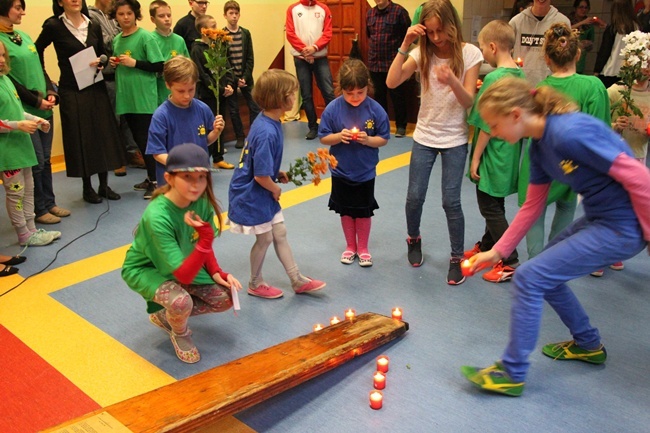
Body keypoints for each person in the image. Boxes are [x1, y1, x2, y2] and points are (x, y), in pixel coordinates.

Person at [460, 76, 650, 397]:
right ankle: (588, 344)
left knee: (530, 277)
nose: (492, 134)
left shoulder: (569, 132)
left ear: (516, 115)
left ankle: (512, 372)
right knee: (544, 272)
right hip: (600, 217)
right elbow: (532, 205)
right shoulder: (539, 148)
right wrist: (497, 252)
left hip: (623, 225)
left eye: (494, 125)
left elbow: (638, 176)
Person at [386, 0, 482, 284]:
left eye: (441, 30)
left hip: (454, 138)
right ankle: (413, 239)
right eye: (430, 32)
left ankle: (456, 257)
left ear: (453, 25)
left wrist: (453, 80)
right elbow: (392, 82)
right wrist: (406, 42)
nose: (437, 37)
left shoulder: (470, 53)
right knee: (414, 196)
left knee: (451, 201)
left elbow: (469, 101)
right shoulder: (421, 52)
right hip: (425, 136)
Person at [122, 142, 241, 364]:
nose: (196, 185)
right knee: (180, 302)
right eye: (187, 177)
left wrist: (217, 272)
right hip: (147, 269)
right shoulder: (157, 216)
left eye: (201, 177)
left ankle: (166, 315)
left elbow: (202, 246)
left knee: (225, 298)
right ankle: (180, 333)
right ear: (169, 178)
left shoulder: (200, 201)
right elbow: (184, 274)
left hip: (183, 263)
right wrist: (205, 239)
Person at [228, 69, 326, 299]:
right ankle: (255, 282)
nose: (294, 98)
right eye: (291, 94)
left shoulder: (268, 121)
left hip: (260, 186)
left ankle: (297, 279)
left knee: (279, 231)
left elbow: (260, 165)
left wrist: (275, 172)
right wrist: (274, 186)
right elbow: (259, 177)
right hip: (252, 192)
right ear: (279, 98)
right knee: (265, 238)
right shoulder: (266, 132)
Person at [520, 23, 611, 263]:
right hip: (573, 164)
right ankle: (553, 262)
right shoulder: (593, 86)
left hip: (539, 161)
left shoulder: (540, 89)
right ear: (578, 54)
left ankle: (534, 263)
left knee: (533, 213)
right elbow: (601, 131)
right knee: (566, 206)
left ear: (546, 59)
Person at [35, 0, 125, 204]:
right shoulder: (54, 26)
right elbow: (36, 51)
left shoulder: (92, 23)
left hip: (95, 86)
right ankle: (87, 188)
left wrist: (102, 62)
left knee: (102, 134)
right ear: (60, 2)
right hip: (72, 90)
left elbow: (103, 52)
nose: (75, 0)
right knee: (81, 136)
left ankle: (104, 185)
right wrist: (46, 81)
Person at [464, 20, 524, 283]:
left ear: (492, 47)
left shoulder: (494, 78)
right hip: (510, 152)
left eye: (482, 49)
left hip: (493, 152)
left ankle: (509, 259)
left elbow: (486, 122)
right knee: (495, 203)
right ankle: (488, 246)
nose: (483, 54)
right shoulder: (520, 75)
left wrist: (475, 158)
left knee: (489, 206)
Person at [0, 0, 70, 225]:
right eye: (18, 7)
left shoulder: (24, 36)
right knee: (36, 163)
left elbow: (39, 65)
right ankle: (39, 210)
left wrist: (50, 91)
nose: (22, 12)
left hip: (43, 109)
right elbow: (9, 79)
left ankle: (49, 202)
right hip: (24, 112)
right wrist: (35, 101)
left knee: (46, 161)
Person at [318, 59, 390, 267]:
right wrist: (339, 136)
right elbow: (324, 137)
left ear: (368, 86)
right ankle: (350, 246)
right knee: (346, 210)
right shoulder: (333, 108)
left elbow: (383, 139)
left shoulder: (376, 110)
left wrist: (368, 140)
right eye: (350, 94)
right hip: (341, 171)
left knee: (363, 210)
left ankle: (364, 248)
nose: (355, 98)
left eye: (361, 92)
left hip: (365, 171)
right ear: (341, 89)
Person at [0, 40, 58, 247]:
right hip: (8, 153)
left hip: (22, 148)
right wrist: (18, 125)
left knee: (28, 189)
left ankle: (32, 228)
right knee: (15, 192)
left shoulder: (5, 79)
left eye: (2, 55)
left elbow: (15, 110)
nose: (1, 60)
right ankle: (23, 233)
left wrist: (35, 119)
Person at [110, 0, 165, 200]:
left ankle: (157, 182)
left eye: (129, 13)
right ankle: (150, 177)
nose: (125, 17)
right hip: (127, 99)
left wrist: (134, 63)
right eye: (121, 14)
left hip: (143, 99)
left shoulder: (146, 37)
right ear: (115, 17)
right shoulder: (116, 40)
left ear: (136, 15)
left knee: (148, 142)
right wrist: (114, 63)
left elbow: (159, 65)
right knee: (139, 142)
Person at [147, 55, 224, 186]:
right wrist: (183, 164)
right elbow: (157, 153)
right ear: (168, 85)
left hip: (199, 178)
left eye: (191, 89)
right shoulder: (161, 116)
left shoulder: (203, 109)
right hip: (172, 181)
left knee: (199, 205)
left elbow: (204, 141)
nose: (187, 95)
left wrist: (216, 132)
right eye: (180, 91)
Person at [88, 0, 145, 177]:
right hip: (104, 76)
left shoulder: (119, 16)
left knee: (128, 118)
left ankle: (132, 151)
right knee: (113, 119)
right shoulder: (91, 16)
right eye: (121, 14)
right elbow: (103, 43)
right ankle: (116, 158)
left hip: (124, 73)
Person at [285, 0, 335, 140]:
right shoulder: (292, 9)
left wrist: (314, 48)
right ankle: (313, 127)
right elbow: (290, 33)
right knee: (306, 95)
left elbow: (328, 33)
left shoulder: (324, 9)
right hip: (301, 59)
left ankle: (334, 124)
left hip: (320, 58)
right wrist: (304, 51)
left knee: (328, 91)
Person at [190, 14, 234, 169]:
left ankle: (218, 157)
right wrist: (220, 90)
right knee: (209, 127)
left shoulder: (218, 46)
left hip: (222, 93)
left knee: (220, 124)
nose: (217, 29)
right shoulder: (197, 49)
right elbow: (203, 74)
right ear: (204, 30)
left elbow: (226, 66)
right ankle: (204, 159)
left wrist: (228, 84)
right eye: (213, 26)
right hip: (208, 95)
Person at [366, 0, 410, 138]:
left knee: (398, 96)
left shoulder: (399, 12)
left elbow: (407, 37)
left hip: (393, 64)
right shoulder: (370, 13)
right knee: (379, 97)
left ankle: (401, 126)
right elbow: (369, 35)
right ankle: (381, 126)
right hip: (375, 63)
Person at [222, 0, 260, 149]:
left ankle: (253, 135)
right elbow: (224, 61)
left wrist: (245, 77)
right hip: (231, 79)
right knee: (233, 109)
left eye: (236, 13)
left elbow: (250, 57)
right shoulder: (222, 35)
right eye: (231, 13)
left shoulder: (245, 33)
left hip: (246, 77)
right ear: (225, 15)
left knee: (255, 106)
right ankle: (240, 136)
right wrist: (236, 79)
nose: (234, 16)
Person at [509, 0, 570, 85]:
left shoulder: (562, 22)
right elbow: (506, 55)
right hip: (521, 87)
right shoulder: (516, 22)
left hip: (551, 86)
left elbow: (566, 58)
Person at [149, 0, 189, 105]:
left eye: (169, 15)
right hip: (159, 92)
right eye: (161, 16)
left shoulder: (179, 40)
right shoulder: (150, 39)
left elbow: (187, 64)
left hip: (180, 92)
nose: (166, 19)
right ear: (153, 19)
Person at [594, 0, 639, 89]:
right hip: (628, 72)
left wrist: (596, 71)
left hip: (610, 71)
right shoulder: (636, 27)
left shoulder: (613, 29)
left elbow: (605, 51)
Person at [568, 0, 598, 75]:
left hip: (580, 58)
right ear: (575, 8)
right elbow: (565, 30)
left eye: (586, 8)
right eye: (581, 7)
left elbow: (591, 43)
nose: (583, 10)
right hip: (567, 56)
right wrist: (582, 22)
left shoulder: (589, 25)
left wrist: (587, 44)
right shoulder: (567, 20)